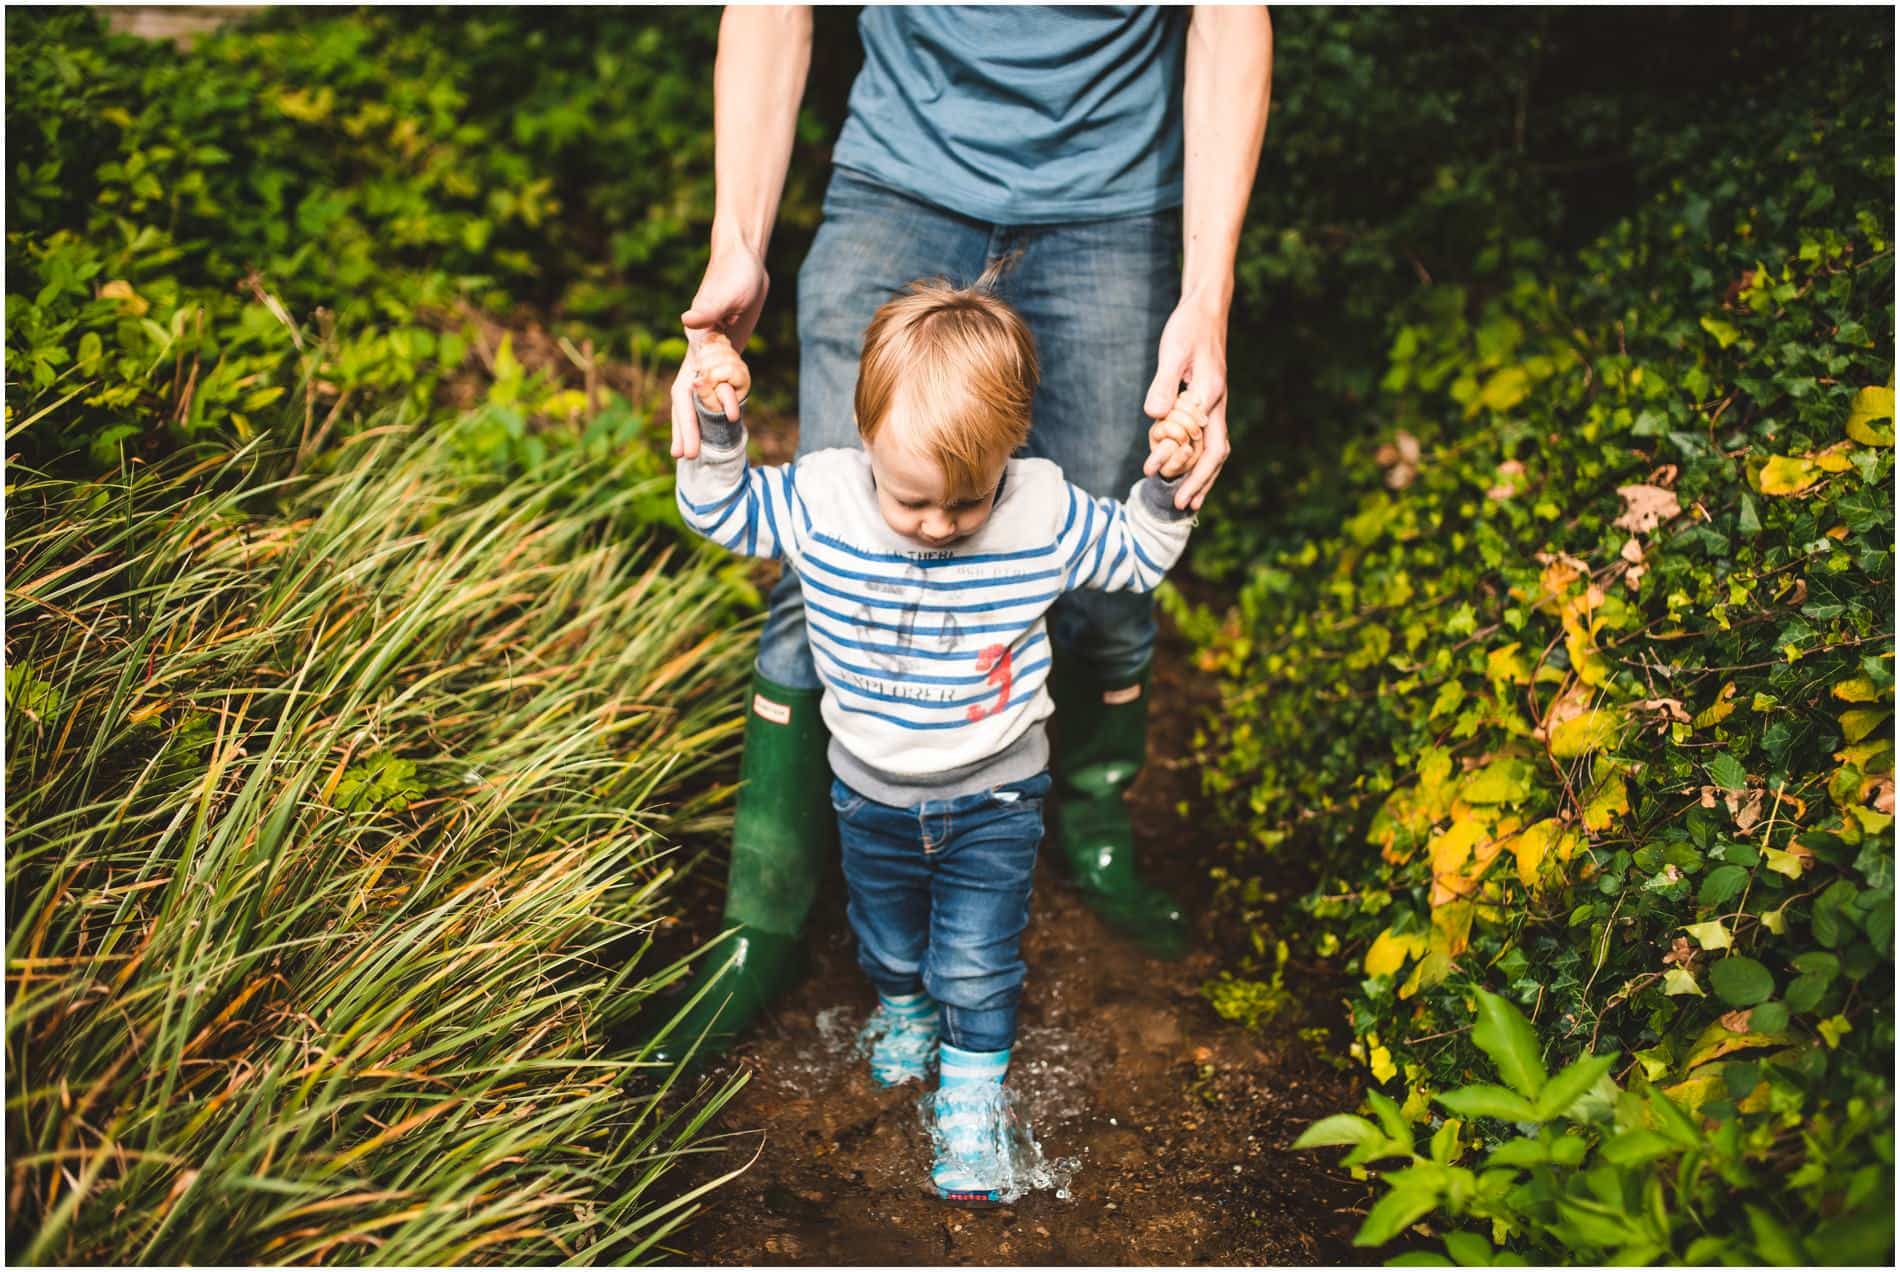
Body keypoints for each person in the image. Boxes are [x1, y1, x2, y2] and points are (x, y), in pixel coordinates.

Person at [647, 5, 1273, 1064]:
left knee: (1105, 585)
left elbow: (1227, 18)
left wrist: (1204, 303)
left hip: (1115, 205)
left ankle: (1092, 822)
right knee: (832, 552)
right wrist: (735, 246)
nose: (941, 527)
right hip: (897, 183)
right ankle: (762, 917)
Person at [673, 276, 1204, 1202]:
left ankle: (968, 1105)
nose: (937, 526)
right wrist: (720, 430)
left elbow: (1134, 556)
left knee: (977, 956)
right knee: (884, 936)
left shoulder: (1038, 506)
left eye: (965, 505)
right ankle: (905, 1013)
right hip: (865, 785)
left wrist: (1163, 487)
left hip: (996, 791)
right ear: (867, 437)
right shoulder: (824, 497)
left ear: (1014, 447)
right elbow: (719, 513)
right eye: (912, 500)